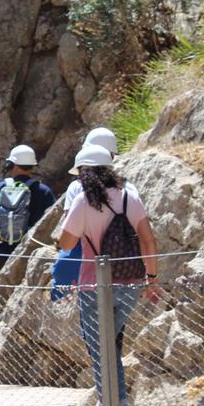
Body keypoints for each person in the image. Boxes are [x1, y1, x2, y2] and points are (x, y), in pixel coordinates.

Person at [57, 143, 159, 406]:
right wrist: (152, 277)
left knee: (100, 348)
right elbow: (149, 241)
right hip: (130, 281)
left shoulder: (84, 201)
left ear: (85, 174)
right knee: (109, 346)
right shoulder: (130, 196)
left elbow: (65, 243)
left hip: (94, 284)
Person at [52, 128, 137, 301]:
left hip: (86, 264)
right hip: (123, 264)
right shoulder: (126, 188)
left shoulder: (76, 187)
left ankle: (60, 294)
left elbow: (71, 230)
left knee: (89, 324)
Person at [0, 144, 56, 270]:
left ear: (11, 164)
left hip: (4, 251)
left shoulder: (0, 188)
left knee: (5, 288)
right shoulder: (44, 191)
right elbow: (53, 222)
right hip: (32, 251)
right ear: (33, 165)